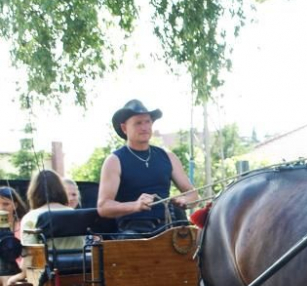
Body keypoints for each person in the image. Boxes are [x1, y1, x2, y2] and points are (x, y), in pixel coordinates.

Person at [97, 99, 197, 233]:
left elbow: (193, 194)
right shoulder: (114, 161)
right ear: (124, 128)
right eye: (138, 123)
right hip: (134, 231)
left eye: (148, 122)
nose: (144, 127)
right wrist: (135, 206)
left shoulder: (168, 157)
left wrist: (185, 200)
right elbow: (103, 207)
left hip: (170, 228)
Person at [19, 170, 84, 250]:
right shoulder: (77, 215)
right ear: (61, 189)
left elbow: (30, 254)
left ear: (33, 192)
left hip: (45, 262)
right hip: (80, 262)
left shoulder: (30, 217)